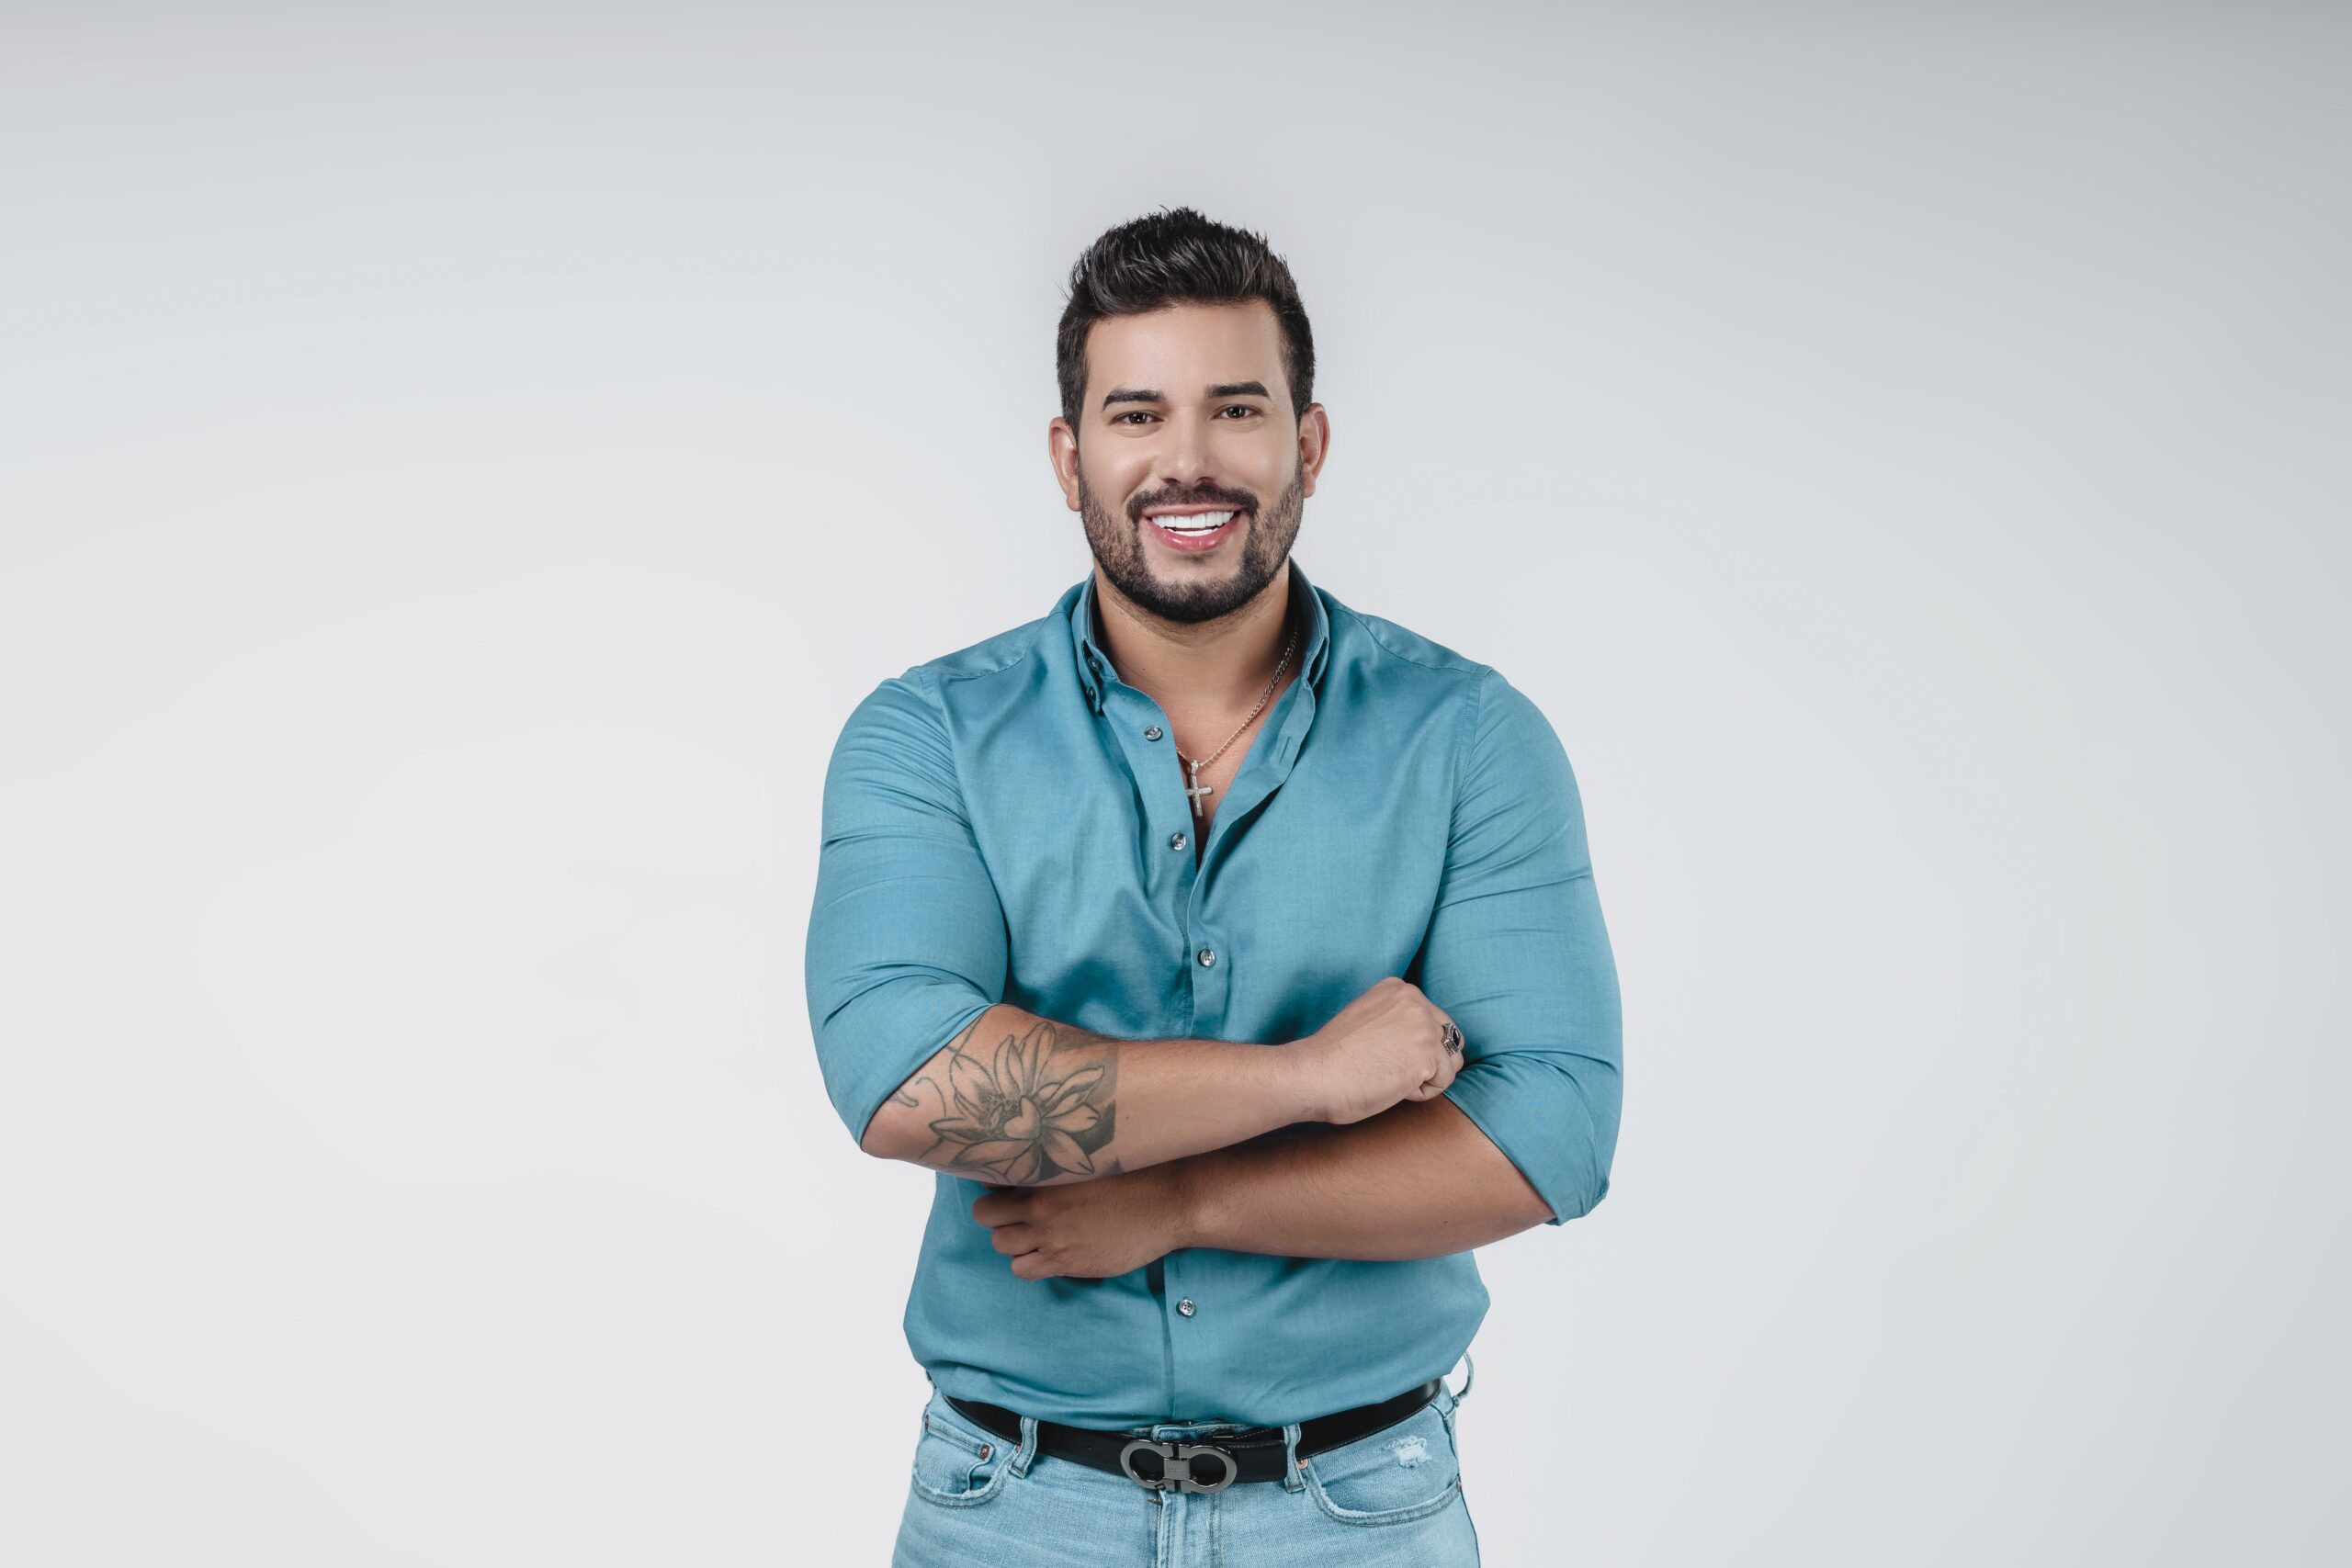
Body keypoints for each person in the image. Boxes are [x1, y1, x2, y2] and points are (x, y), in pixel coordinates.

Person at [805, 206, 1623, 1566]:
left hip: (1360, 1513)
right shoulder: (928, 735)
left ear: (1309, 443)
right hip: (1012, 1512)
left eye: (1236, 409)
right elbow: (902, 1080)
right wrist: (1311, 1080)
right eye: (1137, 415)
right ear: (1069, 458)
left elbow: (1553, 1135)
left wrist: (1184, 1204)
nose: (1187, 460)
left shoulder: (1469, 738)